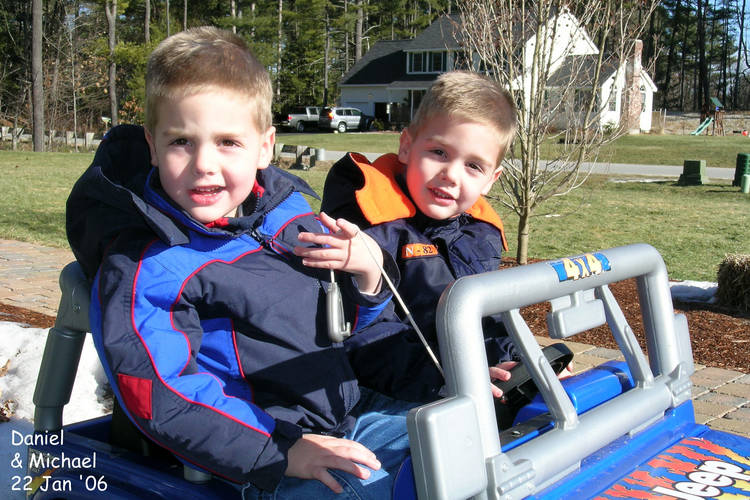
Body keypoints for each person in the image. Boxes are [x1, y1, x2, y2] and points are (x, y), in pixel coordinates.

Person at [66, 26, 415, 499]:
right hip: (253, 457)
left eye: (228, 141)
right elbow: (159, 392)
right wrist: (280, 450)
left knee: (464, 446)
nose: (204, 163)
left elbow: (347, 327)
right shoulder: (150, 263)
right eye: (181, 142)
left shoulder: (289, 216)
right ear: (151, 145)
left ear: (265, 147)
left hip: (347, 411)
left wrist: (369, 280)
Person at [295, 71, 520, 403]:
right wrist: (451, 379)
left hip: (458, 382)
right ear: (406, 146)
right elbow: (366, 338)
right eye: (439, 153)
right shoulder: (366, 226)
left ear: (491, 179)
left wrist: (518, 359)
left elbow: (488, 321)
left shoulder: (477, 234)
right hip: (378, 391)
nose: (451, 175)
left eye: (473, 166)